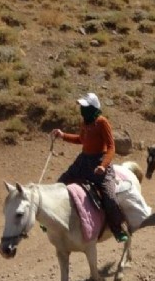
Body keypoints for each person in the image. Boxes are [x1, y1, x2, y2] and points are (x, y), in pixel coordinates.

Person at [51, 93, 128, 243]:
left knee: (109, 196)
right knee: (60, 183)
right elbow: (81, 139)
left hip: (100, 162)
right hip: (83, 161)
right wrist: (62, 135)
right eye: (81, 106)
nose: (82, 109)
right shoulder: (86, 122)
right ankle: (53, 219)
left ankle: (117, 229)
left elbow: (111, 147)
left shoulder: (102, 122)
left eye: (85, 107)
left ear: (93, 107)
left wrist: (103, 166)